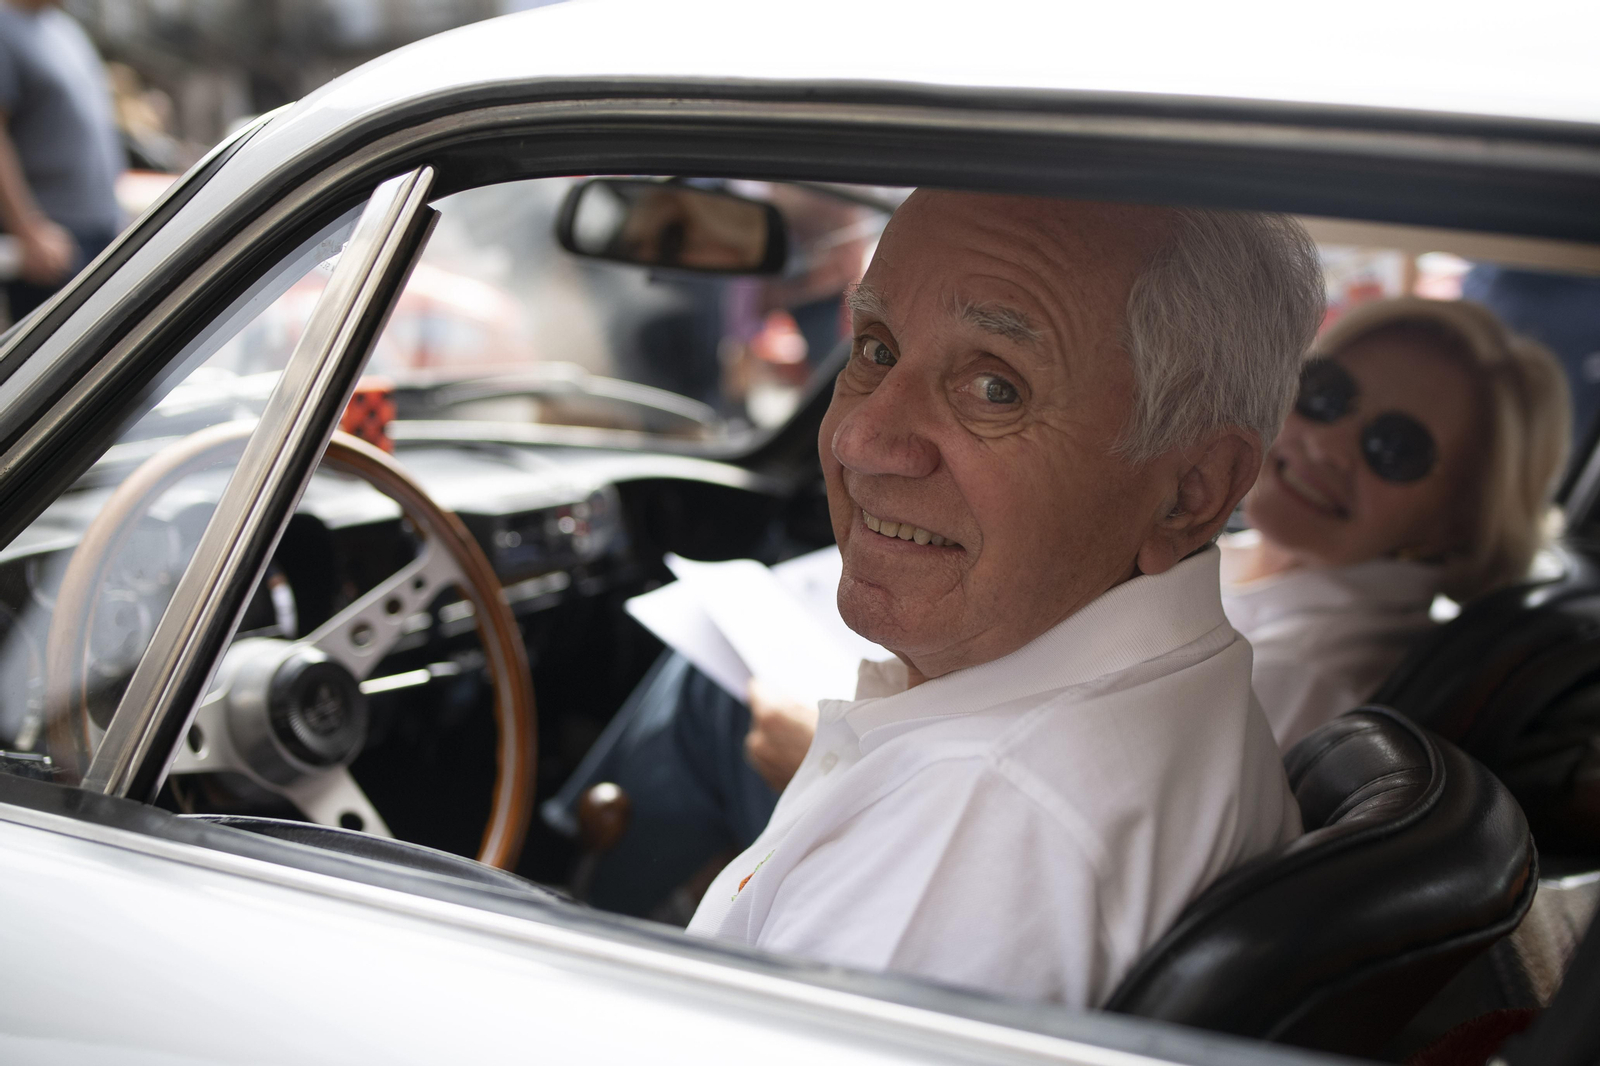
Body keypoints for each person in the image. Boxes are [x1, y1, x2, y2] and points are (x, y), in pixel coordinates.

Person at [675, 189, 1325, 1007]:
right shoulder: (1176, 686)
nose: (859, 440)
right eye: (875, 349)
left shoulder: (972, 823)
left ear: (1191, 493)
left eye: (994, 389)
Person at [1223, 296, 1570, 747]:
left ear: (1458, 522)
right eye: (1325, 393)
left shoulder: (1300, 676)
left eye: (1397, 447)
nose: (1329, 446)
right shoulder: (1228, 562)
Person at [0, 0, 123, 321]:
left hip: (102, 228)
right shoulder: (4, 28)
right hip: (54, 238)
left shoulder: (65, 29)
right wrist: (28, 229)